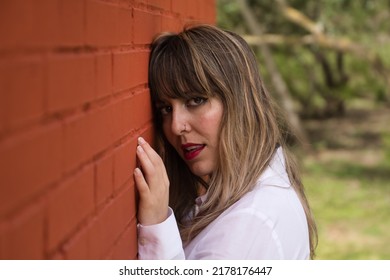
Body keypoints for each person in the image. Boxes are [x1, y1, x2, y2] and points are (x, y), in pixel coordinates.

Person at [133, 24, 317, 259]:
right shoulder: (251, 192)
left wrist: (157, 226)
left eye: (196, 100)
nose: (176, 126)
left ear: (239, 103)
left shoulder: (252, 223)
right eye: (166, 108)